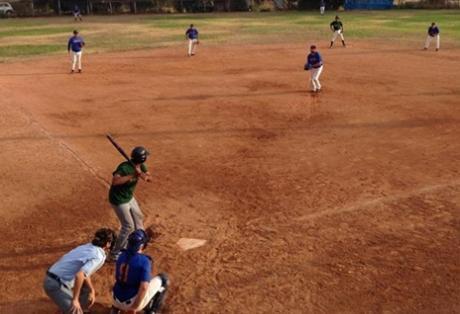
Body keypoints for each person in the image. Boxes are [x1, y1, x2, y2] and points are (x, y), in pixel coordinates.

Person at [43, 228, 116, 314]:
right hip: (55, 284)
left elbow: (84, 273)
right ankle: (68, 309)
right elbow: (80, 275)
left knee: (87, 292)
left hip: (55, 277)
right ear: (108, 244)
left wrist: (91, 289)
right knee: (76, 312)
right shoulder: (98, 256)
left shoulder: (88, 247)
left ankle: (66, 308)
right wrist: (75, 299)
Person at [109, 146, 152, 261]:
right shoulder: (124, 167)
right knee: (128, 226)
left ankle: (139, 242)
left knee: (139, 218)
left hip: (129, 198)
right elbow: (115, 181)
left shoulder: (140, 166)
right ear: (142, 158)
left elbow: (149, 178)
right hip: (118, 200)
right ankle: (114, 254)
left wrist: (142, 175)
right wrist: (133, 175)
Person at [111, 229, 169, 314]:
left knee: (123, 282)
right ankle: (152, 311)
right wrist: (134, 307)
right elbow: (144, 287)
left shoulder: (120, 255)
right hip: (131, 304)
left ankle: (114, 309)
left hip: (115, 299)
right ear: (142, 246)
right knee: (163, 279)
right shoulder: (144, 261)